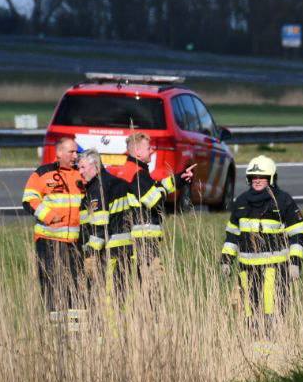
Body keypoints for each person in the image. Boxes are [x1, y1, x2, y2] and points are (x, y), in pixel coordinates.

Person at [220, 155, 303, 326]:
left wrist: (295, 262)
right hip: (247, 270)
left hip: (275, 271)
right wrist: (226, 260)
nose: (257, 180)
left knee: (273, 313)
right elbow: (232, 235)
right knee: (249, 314)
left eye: (262, 177)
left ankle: (273, 348)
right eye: (254, 177)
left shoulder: (283, 201)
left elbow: (298, 234)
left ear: (271, 178)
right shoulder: (241, 202)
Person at [22, 137, 85, 324]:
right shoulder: (43, 173)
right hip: (48, 240)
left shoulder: (81, 174)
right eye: (71, 152)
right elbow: (29, 199)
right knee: (51, 283)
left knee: (75, 285)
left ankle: (75, 328)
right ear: (58, 153)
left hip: (75, 242)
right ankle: (54, 327)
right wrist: (49, 217)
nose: (75, 156)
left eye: (76, 152)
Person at [110, 132, 194, 269]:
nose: (152, 150)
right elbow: (156, 201)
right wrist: (161, 191)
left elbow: (155, 187)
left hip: (130, 236)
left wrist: (179, 178)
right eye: (148, 148)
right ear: (137, 152)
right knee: (151, 282)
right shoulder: (138, 175)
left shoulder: (129, 170)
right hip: (144, 237)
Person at [77, 151, 134, 297]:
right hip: (125, 249)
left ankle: (111, 321)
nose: (80, 172)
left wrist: (89, 253)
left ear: (95, 166)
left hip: (109, 252)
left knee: (108, 297)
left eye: (83, 167)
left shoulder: (98, 189)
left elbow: (100, 228)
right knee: (121, 294)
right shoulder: (116, 182)